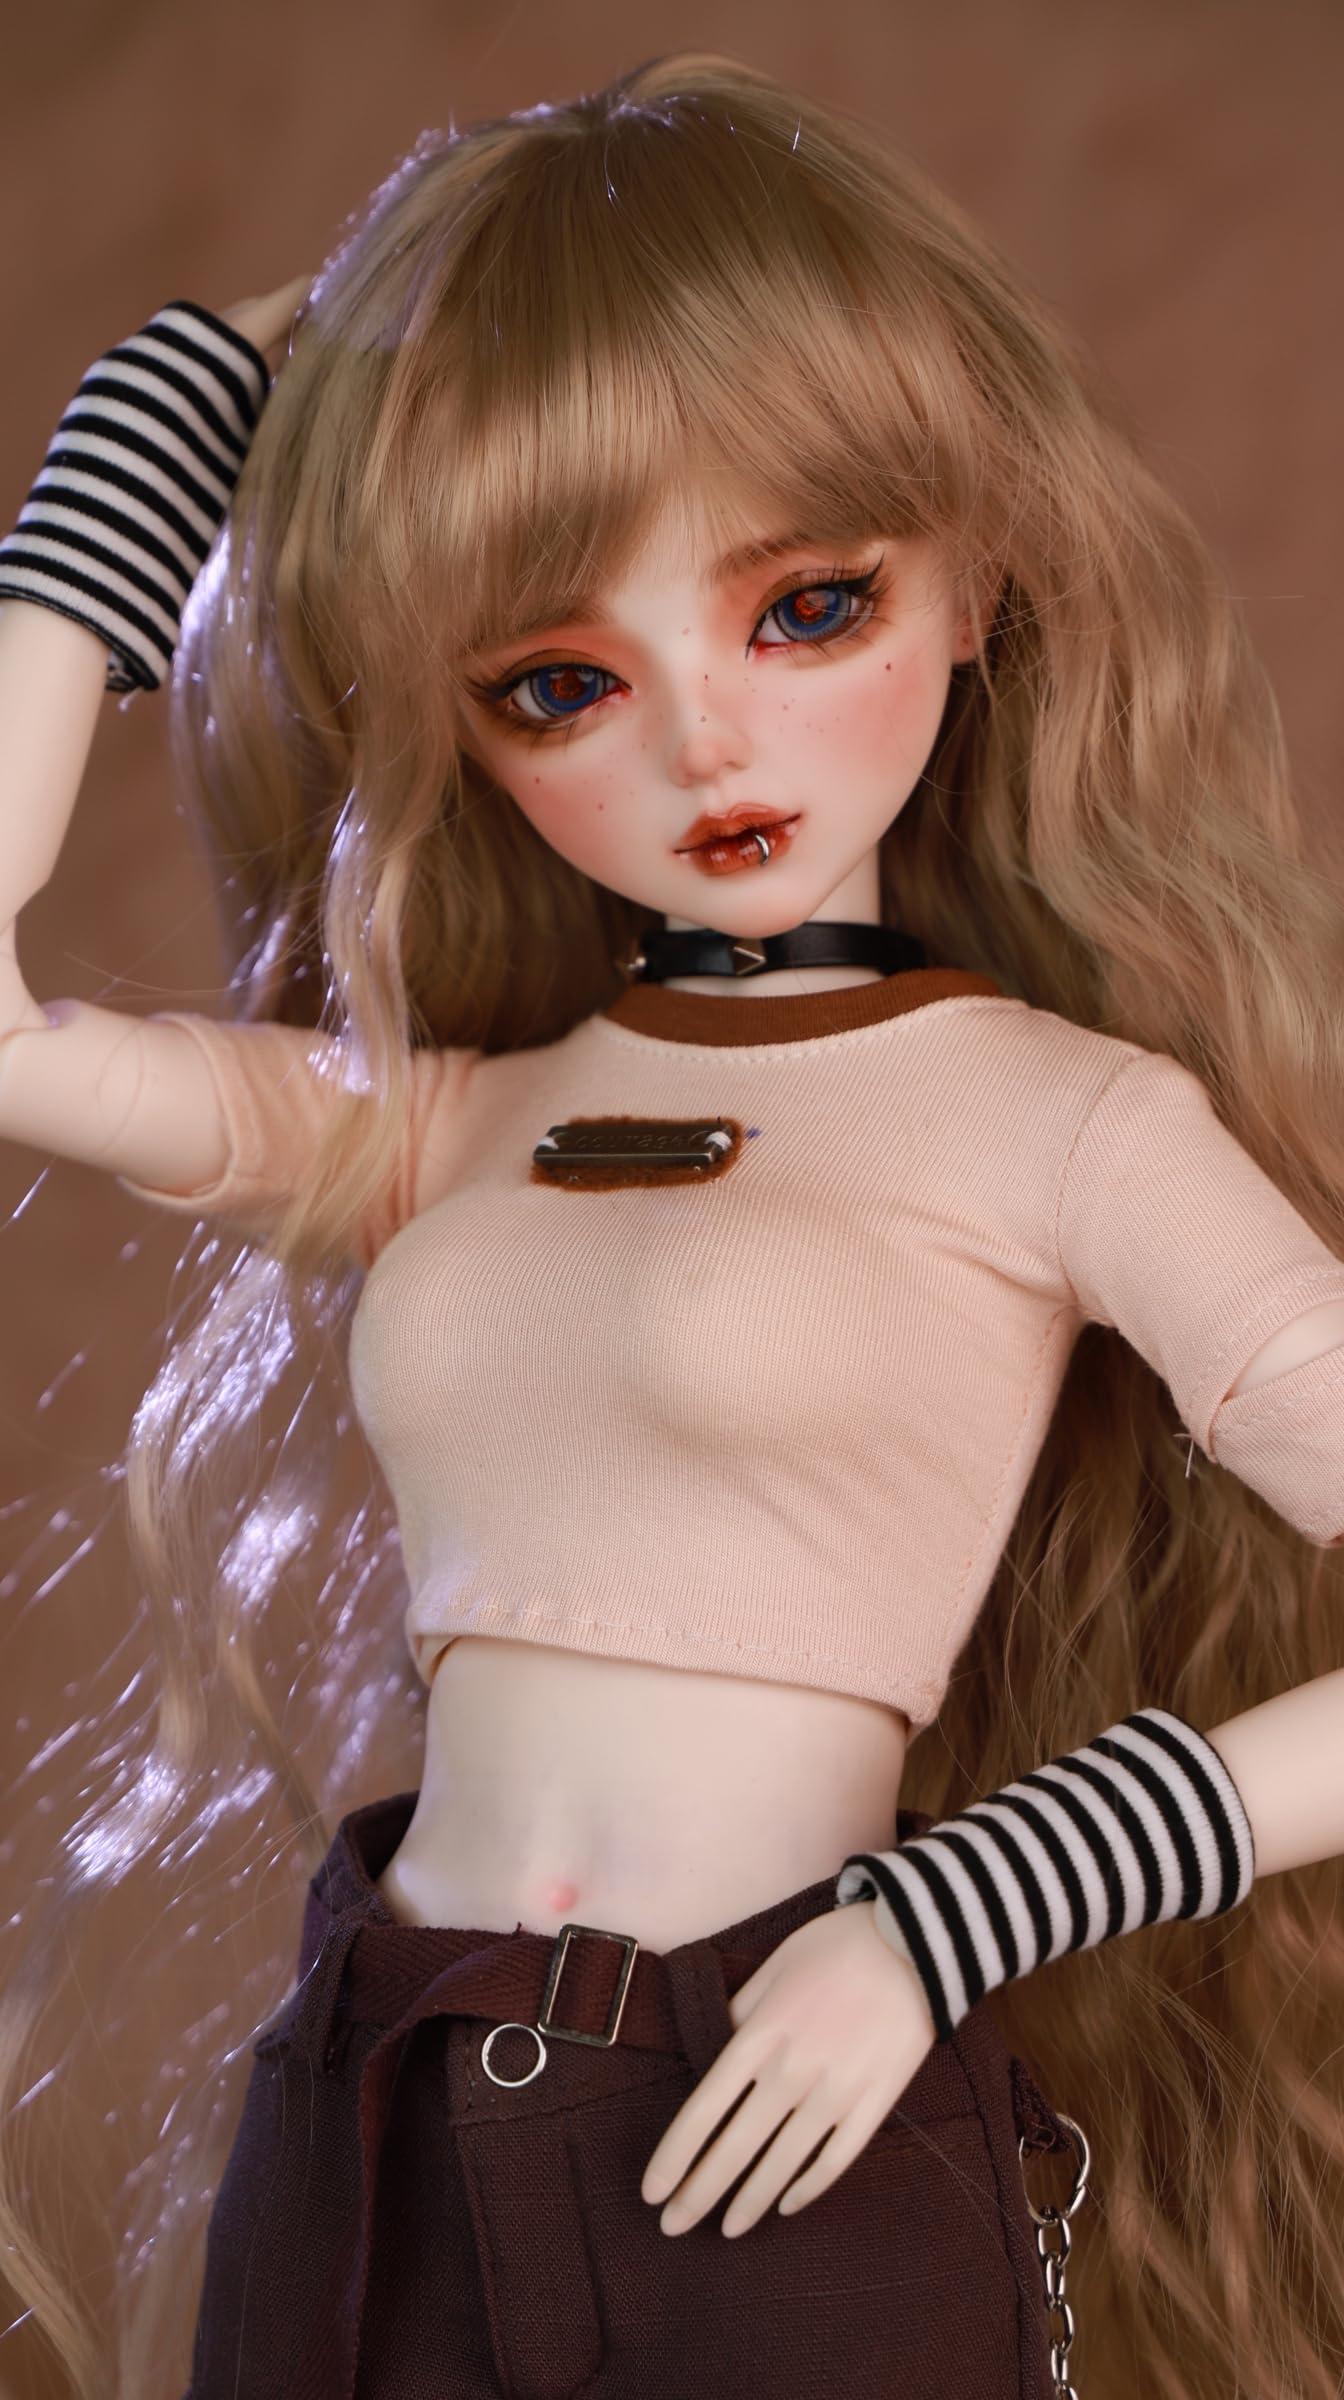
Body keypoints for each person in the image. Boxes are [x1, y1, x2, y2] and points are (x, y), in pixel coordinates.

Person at [1, 51, 1342, 2400]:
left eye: (809, 606)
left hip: (777, 2130)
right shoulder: (450, 1121)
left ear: (978, 571)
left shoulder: (1066, 1124)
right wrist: (172, 413)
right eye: (561, 681)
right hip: (375, 2102)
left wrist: (955, 1915)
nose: (706, 742)